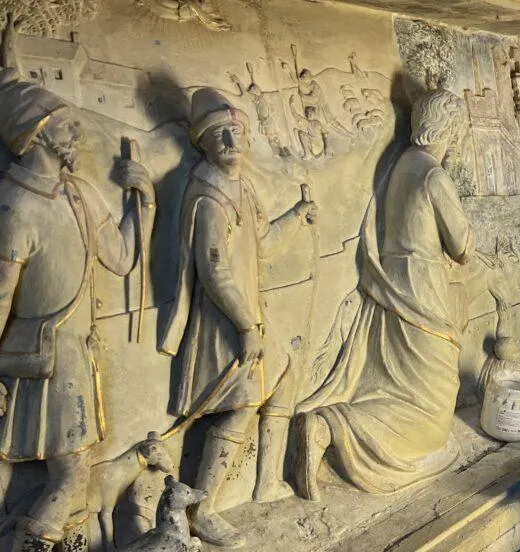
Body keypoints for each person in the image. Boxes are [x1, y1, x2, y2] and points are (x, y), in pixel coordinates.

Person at [0, 16, 155, 551]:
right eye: (64, 124)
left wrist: (145, 202)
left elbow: (122, 259)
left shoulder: (79, 191)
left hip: (78, 354)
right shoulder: (15, 206)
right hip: (45, 357)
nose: (76, 131)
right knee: (71, 474)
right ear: (37, 134)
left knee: (72, 473)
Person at [293, 88, 475, 500]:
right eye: (457, 128)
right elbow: (462, 246)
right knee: (431, 411)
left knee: (400, 388)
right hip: (422, 289)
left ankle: (333, 428)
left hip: (391, 284)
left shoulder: (401, 164)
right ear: (446, 129)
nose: (459, 136)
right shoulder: (434, 175)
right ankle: (330, 427)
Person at [158, 88, 317, 547]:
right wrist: (246, 326)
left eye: (236, 132)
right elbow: (214, 271)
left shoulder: (241, 186)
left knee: (283, 372)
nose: (231, 141)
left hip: (249, 314)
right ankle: (202, 509)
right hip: (223, 319)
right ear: (203, 144)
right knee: (241, 405)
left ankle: (266, 482)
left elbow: (261, 242)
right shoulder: (209, 196)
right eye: (219, 135)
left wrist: (297, 215)